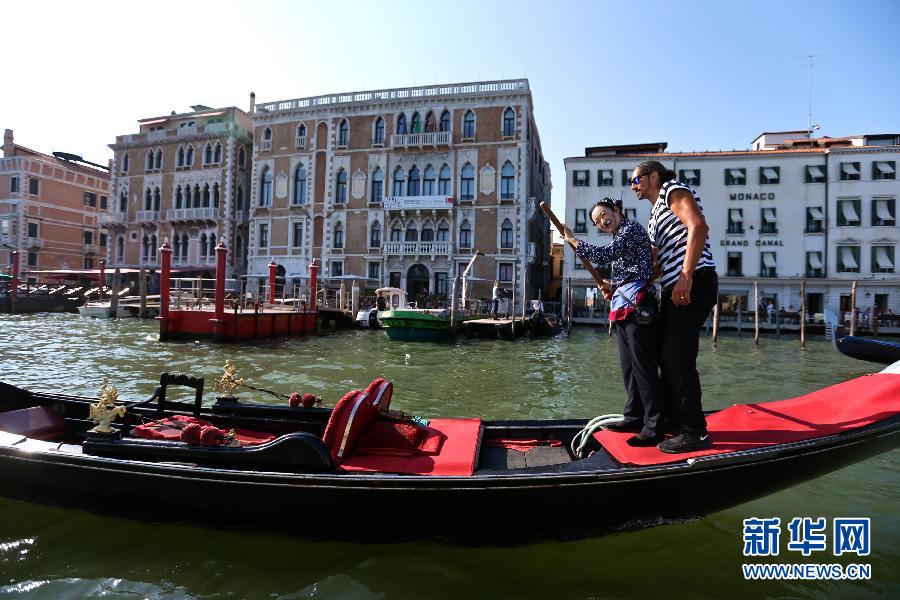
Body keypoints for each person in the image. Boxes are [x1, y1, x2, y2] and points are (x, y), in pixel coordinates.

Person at [564, 198, 667, 447]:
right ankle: (634, 416)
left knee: (643, 366)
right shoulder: (619, 236)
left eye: (603, 215)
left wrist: (573, 240)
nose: (601, 222)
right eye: (596, 221)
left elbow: (603, 255)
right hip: (625, 305)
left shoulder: (631, 230)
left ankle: (655, 426)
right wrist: (612, 286)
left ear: (616, 210)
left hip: (640, 305)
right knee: (628, 366)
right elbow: (626, 273)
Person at [631, 160, 718, 453]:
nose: (633, 186)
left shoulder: (672, 190)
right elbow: (655, 267)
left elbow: (698, 226)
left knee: (677, 355)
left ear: (654, 176)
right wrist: (618, 286)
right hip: (673, 287)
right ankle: (674, 421)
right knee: (662, 355)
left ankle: (695, 432)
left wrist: (686, 276)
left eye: (636, 180)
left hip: (694, 281)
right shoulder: (654, 216)